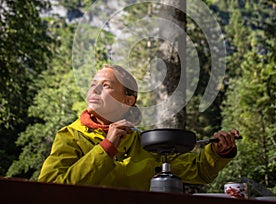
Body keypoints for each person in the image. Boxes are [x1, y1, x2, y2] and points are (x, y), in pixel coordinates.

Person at [38, 64, 240, 190]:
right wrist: (106, 148)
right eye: (93, 84)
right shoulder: (70, 136)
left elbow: (198, 171)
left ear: (128, 100)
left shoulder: (143, 144)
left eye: (106, 85)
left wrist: (218, 152)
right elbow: (49, 189)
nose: (95, 89)